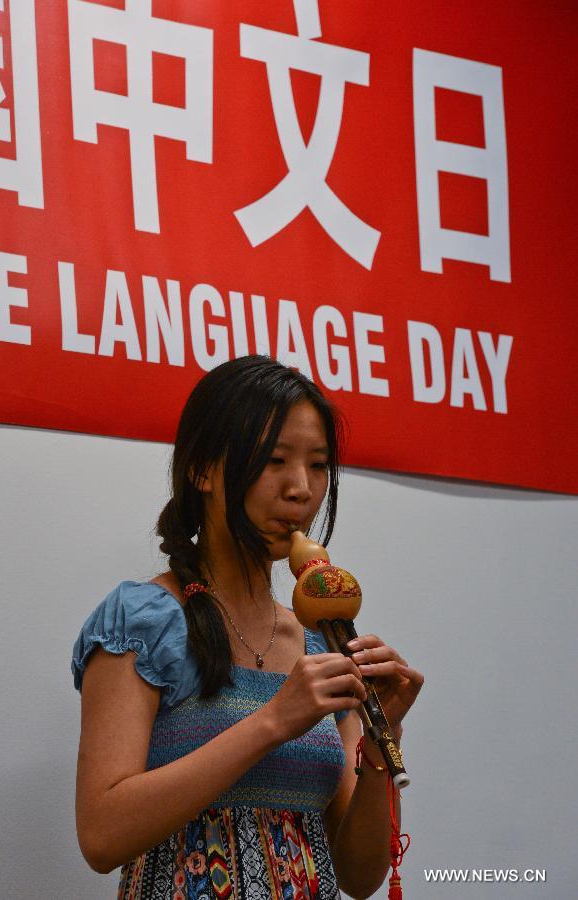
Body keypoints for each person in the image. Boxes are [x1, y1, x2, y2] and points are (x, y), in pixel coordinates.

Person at [71, 355, 424, 899]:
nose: (301, 489)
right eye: (274, 460)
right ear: (203, 469)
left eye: (318, 464)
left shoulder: (322, 642)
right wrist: (273, 721)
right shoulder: (143, 620)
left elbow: (359, 877)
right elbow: (101, 834)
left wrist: (381, 743)